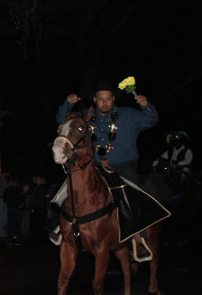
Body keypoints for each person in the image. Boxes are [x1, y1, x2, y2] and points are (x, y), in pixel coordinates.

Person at [55, 79, 159, 261]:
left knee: (134, 194)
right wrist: (67, 104)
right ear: (95, 99)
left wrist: (146, 106)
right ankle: (59, 227)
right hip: (94, 166)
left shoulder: (128, 115)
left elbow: (150, 120)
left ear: (113, 100)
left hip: (122, 166)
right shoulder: (87, 115)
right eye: (101, 99)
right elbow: (63, 120)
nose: (104, 102)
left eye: (108, 99)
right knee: (69, 186)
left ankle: (139, 239)